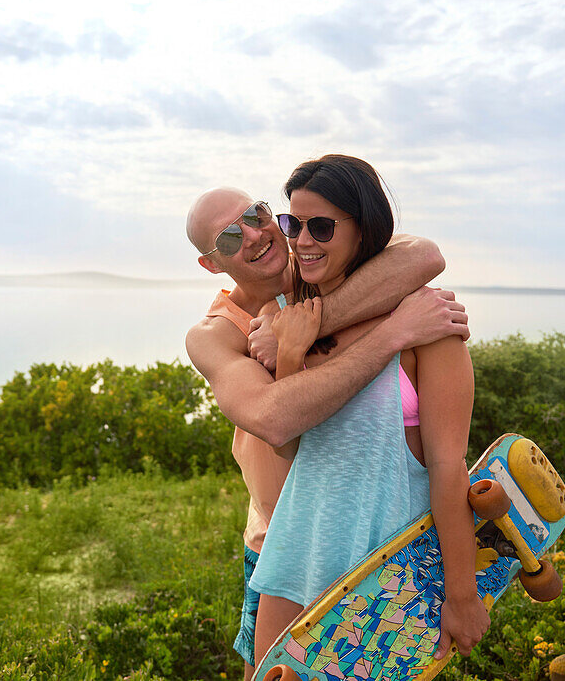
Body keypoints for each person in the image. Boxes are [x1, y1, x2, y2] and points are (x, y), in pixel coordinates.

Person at [184, 186, 470, 681]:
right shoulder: (216, 334)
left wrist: (302, 328)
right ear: (212, 264)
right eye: (229, 238)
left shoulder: (318, 264)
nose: (254, 234)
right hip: (280, 539)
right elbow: (277, 421)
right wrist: (389, 334)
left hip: (374, 540)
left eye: (256, 214)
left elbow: (424, 255)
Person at [247, 154, 490, 669]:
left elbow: (449, 467)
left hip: (383, 569)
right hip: (297, 551)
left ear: (364, 231)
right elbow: (289, 447)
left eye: (322, 226)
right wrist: (291, 353)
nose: (302, 241)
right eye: (294, 224)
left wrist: (462, 593)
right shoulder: (293, 321)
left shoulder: (427, 323)